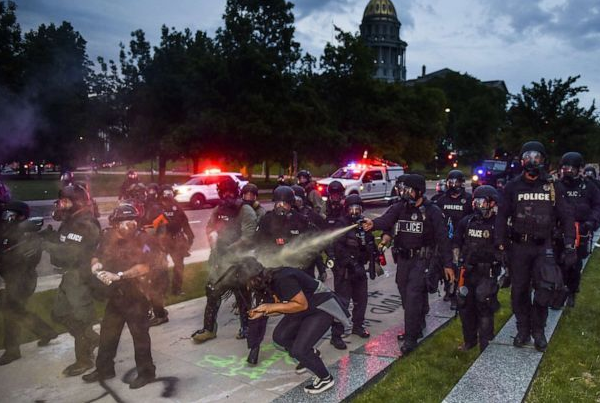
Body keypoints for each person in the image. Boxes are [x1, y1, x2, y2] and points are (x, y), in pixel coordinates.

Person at [495, 141, 576, 352]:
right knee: (519, 291)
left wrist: (569, 245)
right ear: (521, 161)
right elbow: (501, 218)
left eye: (537, 157)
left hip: (544, 247)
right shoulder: (512, 187)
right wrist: (500, 246)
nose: (532, 161)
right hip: (519, 247)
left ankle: (538, 332)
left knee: (545, 289)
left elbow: (567, 216)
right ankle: (523, 330)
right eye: (528, 157)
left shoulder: (552, 186)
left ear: (543, 160)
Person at [362, 174, 452, 355]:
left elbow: (443, 240)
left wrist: (448, 264)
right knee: (404, 291)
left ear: (418, 191)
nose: (405, 193)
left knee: (412, 295)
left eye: (408, 190)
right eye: (403, 189)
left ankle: (411, 338)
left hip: (423, 259)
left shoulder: (432, 211)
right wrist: (372, 224)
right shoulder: (400, 207)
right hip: (403, 259)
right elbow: (386, 220)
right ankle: (417, 324)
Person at [244, 258, 350, 395]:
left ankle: (325, 378)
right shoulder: (267, 281)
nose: (247, 287)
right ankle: (311, 354)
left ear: (254, 278)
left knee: (299, 350)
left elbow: (301, 304)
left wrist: (269, 307)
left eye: (248, 283)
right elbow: (283, 307)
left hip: (320, 307)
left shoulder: (282, 279)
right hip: (304, 309)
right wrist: (263, 311)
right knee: (280, 336)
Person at [82, 204, 160, 389]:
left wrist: (119, 275)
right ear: (115, 224)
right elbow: (96, 255)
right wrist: (96, 267)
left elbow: (145, 267)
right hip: (115, 295)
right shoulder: (108, 236)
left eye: (133, 220)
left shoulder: (143, 239)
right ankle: (105, 369)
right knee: (107, 334)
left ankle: (146, 372)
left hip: (136, 294)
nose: (130, 225)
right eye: (125, 222)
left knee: (139, 336)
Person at [42, 184, 102, 376]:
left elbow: (72, 252)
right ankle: (91, 338)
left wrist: (46, 245)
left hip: (81, 276)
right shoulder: (71, 221)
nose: (61, 205)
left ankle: (84, 360)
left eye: (65, 201)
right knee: (59, 313)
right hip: (69, 276)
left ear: (76, 203)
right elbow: (64, 241)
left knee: (80, 318)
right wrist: (50, 238)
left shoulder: (85, 223)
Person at [191, 178, 257, 344]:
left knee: (242, 296)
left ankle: (247, 327)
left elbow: (248, 237)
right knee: (212, 292)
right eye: (224, 192)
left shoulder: (245, 210)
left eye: (231, 192)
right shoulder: (218, 210)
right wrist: (214, 241)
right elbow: (209, 228)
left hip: (239, 261)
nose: (227, 196)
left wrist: (231, 248)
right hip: (220, 260)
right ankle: (209, 329)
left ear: (236, 192)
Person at [0, 201, 58, 365]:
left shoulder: (27, 235)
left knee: (11, 312)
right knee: (17, 310)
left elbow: (27, 260)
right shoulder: (8, 231)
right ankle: (46, 332)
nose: (5, 218)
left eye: (9, 215)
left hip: (23, 279)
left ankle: (12, 350)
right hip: (14, 278)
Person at [453, 186, 502, 352]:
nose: (478, 205)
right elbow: (456, 243)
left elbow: (505, 249)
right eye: (476, 201)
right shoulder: (466, 222)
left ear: (492, 203)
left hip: (487, 273)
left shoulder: (499, 224)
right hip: (467, 272)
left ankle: (486, 344)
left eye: (482, 201)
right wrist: (457, 263)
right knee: (465, 306)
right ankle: (469, 341)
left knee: (484, 304)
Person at [556, 152, 600, 307]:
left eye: (571, 169)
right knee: (558, 263)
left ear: (579, 169)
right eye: (565, 169)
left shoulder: (589, 186)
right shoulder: (557, 186)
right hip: (560, 230)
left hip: (581, 229)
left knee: (574, 264)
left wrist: (591, 222)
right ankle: (559, 291)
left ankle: (572, 291)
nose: (567, 172)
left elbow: (597, 206)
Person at [330, 194, 374, 350]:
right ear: (346, 209)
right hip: (345, 270)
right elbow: (337, 247)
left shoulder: (364, 224)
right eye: (352, 209)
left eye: (358, 209)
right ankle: (336, 335)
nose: (355, 212)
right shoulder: (341, 224)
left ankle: (358, 325)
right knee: (342, 303)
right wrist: (350, 262)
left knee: (361, 300)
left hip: (360, 268)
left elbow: (369, 242)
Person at [434, 169, 473, 309]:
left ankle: (457, 292)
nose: (453, 184)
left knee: (459, 265)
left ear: (461, 183)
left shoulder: (468, 199)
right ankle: (447, 288)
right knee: (445, 264)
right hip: (446, 238)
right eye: (450, 182)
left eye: (456, 182)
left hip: (462, 238)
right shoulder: (442, 199)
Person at [153, 185, 194, 295]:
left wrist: (190, 236)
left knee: (179, 266)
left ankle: (177, 290)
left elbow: (184, 221)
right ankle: (162, 291)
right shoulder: (156, 207)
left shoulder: (177, 206)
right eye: (166, 193)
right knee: (162, 266)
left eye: (170, 193)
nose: (168, 195)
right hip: (162, 240)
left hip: (176, 239)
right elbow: (153, 225)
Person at [291, 185, 327, 281]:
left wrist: (321, 269)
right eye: (292, 200)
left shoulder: (310, 215)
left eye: (297, 200)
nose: (294, 203)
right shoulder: (285, 216)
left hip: (307, 260)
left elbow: (316, 244)